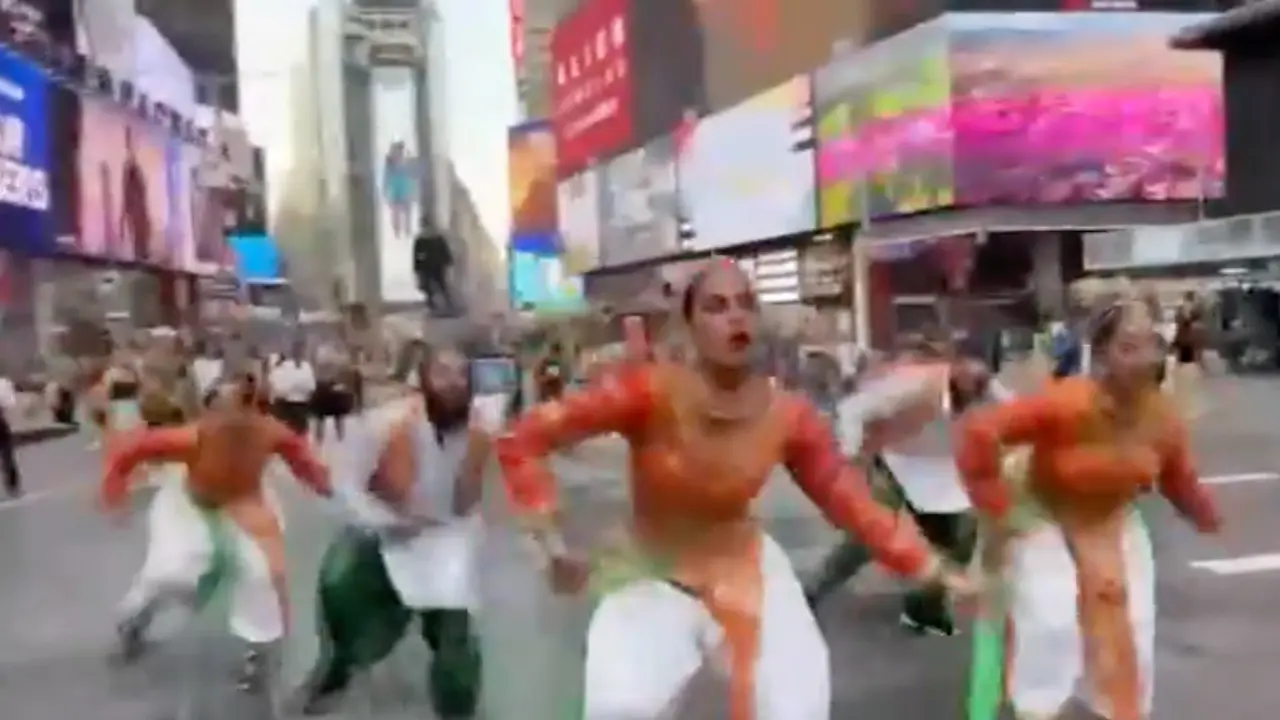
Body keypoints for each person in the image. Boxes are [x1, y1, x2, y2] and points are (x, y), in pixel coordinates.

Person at [495, 260, 972, 720]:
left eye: (745, 303)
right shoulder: (647, 393)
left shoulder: (788, 415)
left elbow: (849, 500)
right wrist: (549, 538)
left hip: (746, 570)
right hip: (650, 573)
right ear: (689, 325)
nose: (735, 316)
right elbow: (524, 439)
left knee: (797, 707)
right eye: (716, 306)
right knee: (620, 710)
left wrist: (931, 567)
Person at [955, 301, 1221, 720]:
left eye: (1153, 345)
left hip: (1110, 520)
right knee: (1052, 618)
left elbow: (1177, 477)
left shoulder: (1163, 418)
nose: (1144, 359)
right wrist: (997, 506)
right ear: (1101, 357)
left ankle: (1110, 708)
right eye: (1128, 347)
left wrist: (1205, 514)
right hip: (1041, 511)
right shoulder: (1067, 403)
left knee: (1132, 627)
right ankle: (1037, 707)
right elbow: (980, 433)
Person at [293, 346, 495, 716]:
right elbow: (346, 484)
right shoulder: (386, 423)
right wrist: (390, 521)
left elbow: (469, 498)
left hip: (446, 541)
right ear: (424, 380)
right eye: (443, 373)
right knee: (340, 591)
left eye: (462, 375)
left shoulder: (480, 428)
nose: (454, 383)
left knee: (454, 639)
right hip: (384, 534)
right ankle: (337, 668)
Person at [100, 374, 330, 690]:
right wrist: (115, 494)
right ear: (210, 411)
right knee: (170, 573)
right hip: (188, 508)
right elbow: (128, 455)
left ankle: (259, 653)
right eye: (222, 409)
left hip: (246, 505)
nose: (232, 420)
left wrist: (323, 483)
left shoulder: (270, 433)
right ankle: (134, 622)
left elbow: (302, 459)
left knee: (263, 574)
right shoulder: (192, 437)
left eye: (242, 408)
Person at [804, 338, 1010, 636]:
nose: (977, 383)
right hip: (890, 460)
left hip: (936, 471)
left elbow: (1017, 410)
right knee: (869, 537)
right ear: (955, 366)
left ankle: (922, 608)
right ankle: (812, 592)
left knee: (958, 538)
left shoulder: (986, 388)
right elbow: (853, 409)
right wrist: (851, 459)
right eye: (971, 373)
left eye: (984, 376)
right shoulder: (912, 385)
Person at [119, 125, 151, 262]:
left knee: (142, 229)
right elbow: (127, 188)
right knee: (139, 229)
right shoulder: (129, 169)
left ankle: (142, 252)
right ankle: (140, 253)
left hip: (139, 206)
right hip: (135, 206)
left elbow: (141, 188)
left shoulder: (134, 169)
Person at [269, 343, 316, 435]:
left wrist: (294, 388)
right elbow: (278, 386)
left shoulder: (306, 366)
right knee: (285, 432)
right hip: (285, 405)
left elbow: (311, 386)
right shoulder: (283, 366)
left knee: (299, 432)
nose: (299, 354)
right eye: (297, 351)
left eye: (301, 351)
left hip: (299, 405)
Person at [311, 342, 353, 444]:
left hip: (327, 390)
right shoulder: (324, 366)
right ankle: (326, 437)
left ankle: (332, 437)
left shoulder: (331, 365)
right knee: (325, 416)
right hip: (325, 389)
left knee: (330, 416)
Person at [413, 226, 454, 314]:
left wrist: (417, 267)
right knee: (437, 285)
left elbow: (417, 255)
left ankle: (439, 304)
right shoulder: (435, 239)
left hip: (431, 265)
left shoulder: (423, 240)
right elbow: (418, 255)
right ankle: (441, 304)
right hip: (432, 265)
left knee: (437, 284)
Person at [382, 140, 416, 240]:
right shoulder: (389, 161)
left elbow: (411, 174)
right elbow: (386, 176)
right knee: (396, 211)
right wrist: (385, 189)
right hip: (396, 187)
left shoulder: (406, 160)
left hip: (403, 186)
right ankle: (398, 231)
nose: (399, 152)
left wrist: (412, 189)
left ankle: (406, 231)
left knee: (405, 210)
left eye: (400, 149)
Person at [0, 368, 21, 497]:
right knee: (7, 454)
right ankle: (12, 484)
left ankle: (12, 483)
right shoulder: (3, 383)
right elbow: (10, 404)